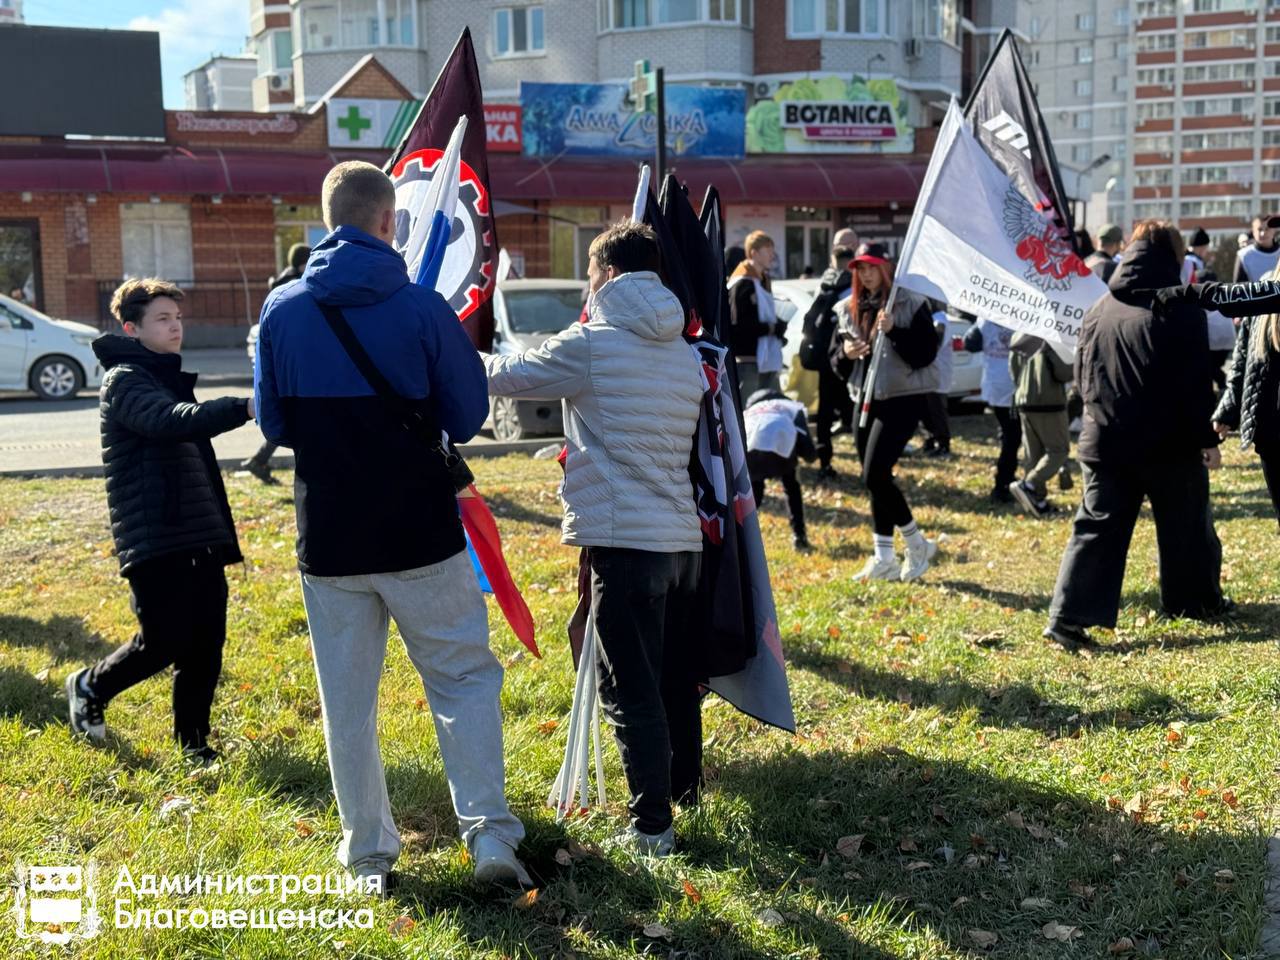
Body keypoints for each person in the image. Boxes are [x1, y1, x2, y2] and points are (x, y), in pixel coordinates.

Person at [254, 161, 528, 888]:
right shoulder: (424, 308)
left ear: (327, 218)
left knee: (347, 705)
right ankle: (491, 839)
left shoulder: (278, 311)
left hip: (330, 534)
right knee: (464, 681)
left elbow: (273, 423)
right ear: (389, 221)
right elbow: (469, 416)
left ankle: (368, 858)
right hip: (420, 530)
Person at [486, 220, 705, 858]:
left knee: (627, 687)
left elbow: (508, 375)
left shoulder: (592, 343)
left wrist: (451, 350)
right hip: (680, 542)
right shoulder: (682, 348)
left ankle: (651, 828)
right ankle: (682, 796)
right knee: (669, 683)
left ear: (603, 273)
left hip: (624, 542)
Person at [64, 279, 253, 765]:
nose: (175, 326)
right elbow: (170, 421)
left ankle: (194, 746)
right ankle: (90, 685)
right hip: (155, 537)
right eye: (163, 319)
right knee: (163, 641)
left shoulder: (164, 375)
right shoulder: (124, 379)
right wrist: (244, 406)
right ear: (132, 328)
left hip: (197, 533)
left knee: (206, 644)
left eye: (178, 317)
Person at [1044, 220, 1230, 653]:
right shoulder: (1181, 310)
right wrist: (1207, 439)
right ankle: (1194, 602)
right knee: (1187, 528)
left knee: (1095, 530)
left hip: (1105, 439)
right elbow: (1193, 384)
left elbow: (1081, 376)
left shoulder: (1098, 309)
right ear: (1174, 258)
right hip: (1168, 444)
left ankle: (1066, 619)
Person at [831, 243, 942, 582]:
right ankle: (885, 557)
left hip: (904, 397)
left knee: (874, 474)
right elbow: (834, 359)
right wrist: (846, 352)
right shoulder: (848, 307)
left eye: (871, 267)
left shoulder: (910, 302)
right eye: (859, 268)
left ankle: (916, 543)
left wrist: (895, 331)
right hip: (864, 397)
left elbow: (925, 354)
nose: (865, 274)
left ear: (886, 268)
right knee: (875, 481)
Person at [1159, 267, 1280, 527]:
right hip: (1272, 432)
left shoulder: (1268, 291)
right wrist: (1230, 406)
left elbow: (1230, 297)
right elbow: (1247, 355)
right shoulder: (1267, 283)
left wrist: (1185, 292)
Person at [240, 243, 312, 485]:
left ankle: (259, 460)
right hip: (291, 360)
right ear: (303, 261)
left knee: (285, 412)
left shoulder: (282, 283)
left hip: (277, 358)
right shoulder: (300, 284)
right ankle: (259, 460)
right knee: (290, 415)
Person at [800, 244, 855, 480]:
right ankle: (867, 458)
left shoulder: (824, 284)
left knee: (824, 413)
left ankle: (825, 461)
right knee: (851, 407)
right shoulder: (851, 285)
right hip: (844, 357)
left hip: (823, 359)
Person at [1008, 333, 1073, 517]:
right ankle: (1029, 485)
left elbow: (1013, 370)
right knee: (1058, 450)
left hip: (1024, 400)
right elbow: (1064, 372)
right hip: (1048, 401)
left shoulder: (1019, 334)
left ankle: (1037, 501)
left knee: (1033, 454)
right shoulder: (1052, 336)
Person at [744, 388, 816, 551]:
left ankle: (742, 534)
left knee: (754, 493)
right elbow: (808, 449)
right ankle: (799, 536)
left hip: (751, 449)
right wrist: (810, 455)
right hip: (782, 451)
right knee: (791, 487)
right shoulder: (791, 408)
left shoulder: (749, 411)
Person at [964, 318, 1020, 503]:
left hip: (996, 385)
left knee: (1009, 434)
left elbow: (970, 343)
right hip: (1009, 386)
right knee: (1012, 438)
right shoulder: (1014, 319)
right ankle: (1002, 485)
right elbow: (969, 344)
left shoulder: (985, 319)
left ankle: (1006, 479)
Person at [728, 230, 787, 399]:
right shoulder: (742, 283)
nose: (772, 255)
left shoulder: (763, 279)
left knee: (770, 406)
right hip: (748, 359)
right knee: (748, 411)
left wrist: (779, 327)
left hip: (767, 356)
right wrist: (770, 328)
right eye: (767, 250)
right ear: (753, 252)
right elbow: (738, 324)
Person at [919, 302, 953, 458]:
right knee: (926, 410)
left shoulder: (940, 320)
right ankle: (930, 441)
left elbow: (935, 344)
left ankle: (943, 445)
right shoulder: (931, 317)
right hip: (927, 373)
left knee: (937, 410)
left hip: (937, 373)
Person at [1233, 213, 1280, 283]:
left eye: (1267, 229)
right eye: (1259, 229)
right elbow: (1239, 289)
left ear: (1274, 230)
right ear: (1253, 231)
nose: (1263, 233)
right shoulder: (1243, 255)